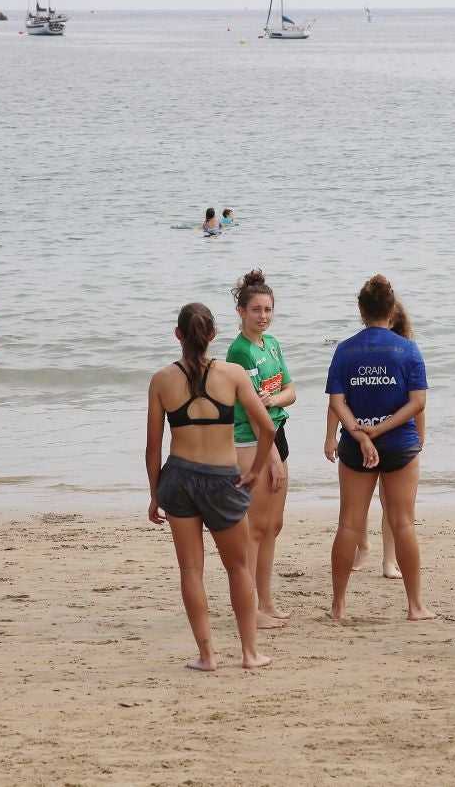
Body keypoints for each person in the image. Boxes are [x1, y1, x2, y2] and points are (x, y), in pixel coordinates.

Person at [146, 303, 280, 670]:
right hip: (223, 479)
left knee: (191, 570)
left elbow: (153, 446)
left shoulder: (161, 380)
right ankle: (250, 653)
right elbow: (267, 428)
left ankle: (207, 656)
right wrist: (253, 471)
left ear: (177, 334)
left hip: (179, 478)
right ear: (212, 336)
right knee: (238, 568)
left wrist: (155, 491)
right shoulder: (233, 374)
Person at [327, 275, 435, 621]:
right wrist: (380, 429)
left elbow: (337, 401)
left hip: (356, 446)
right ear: (391, 310)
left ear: (361, 310)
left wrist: (359, 433)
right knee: (403, 524)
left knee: (348, 524)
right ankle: (415, 606)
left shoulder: (344, 350)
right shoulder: (408, 349)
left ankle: (338, 606)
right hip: (400, 443)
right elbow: (418, 402)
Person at [226, 270, 296, 628]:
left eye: (268, 309)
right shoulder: (239, 351)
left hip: (276, 431)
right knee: (254, 528)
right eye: (256, 310)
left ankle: (266, 600)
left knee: (273, 525)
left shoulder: (271, 344)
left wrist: (272, 401)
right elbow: (252, 412)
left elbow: (291, 391)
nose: (263, 316)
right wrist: (272, 459)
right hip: (254, 442)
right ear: (241, 312)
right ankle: (249, 607)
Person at [337, 302, 418, 580]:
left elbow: (417, 404)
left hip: (380, 438)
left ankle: (386, 562)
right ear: (390, 311)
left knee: (388, 510)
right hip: (380, 438)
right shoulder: (359, 350)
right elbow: (338, 402)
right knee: (358, 516)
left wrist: (365, 432)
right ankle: (367, 549)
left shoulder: (404, 348)